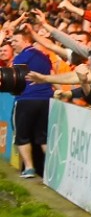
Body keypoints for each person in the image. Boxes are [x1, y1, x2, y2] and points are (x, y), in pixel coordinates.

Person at [9, 26, 53, 178]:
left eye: (15, 40)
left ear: (26, 40)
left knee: (22, 135)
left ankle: (29, 168)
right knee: (43, 136)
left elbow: (15, 82)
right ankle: (52, 170)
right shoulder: (44, 56)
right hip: (47, 100)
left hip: (26, 99)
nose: (12, 43)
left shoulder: (20, 58)